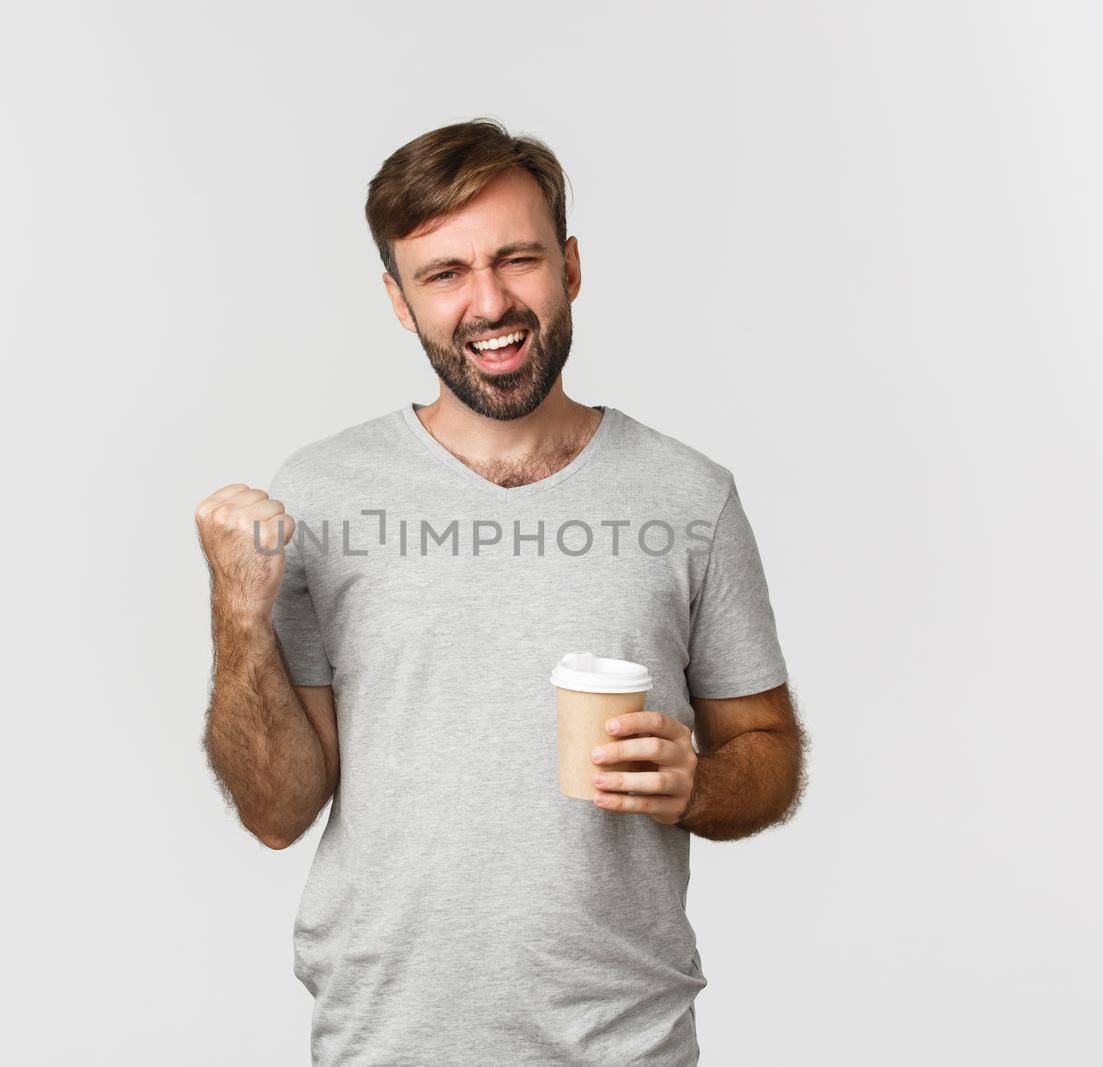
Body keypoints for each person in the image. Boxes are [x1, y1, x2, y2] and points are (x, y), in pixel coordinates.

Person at [195, 117, 806, 1066]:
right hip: (386, 1037)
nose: (489, 303)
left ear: (568, 265)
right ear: (400, 301)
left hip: (623, 1040)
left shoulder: (689, 495)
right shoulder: (322, 491)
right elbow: (279, 811)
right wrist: (239, 615)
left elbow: (766, 751)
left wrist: (699, 785)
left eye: (516, 259)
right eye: (443, 274)